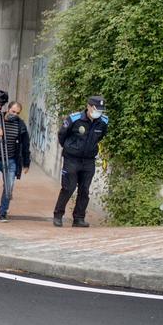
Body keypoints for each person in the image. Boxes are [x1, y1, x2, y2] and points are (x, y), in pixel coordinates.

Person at [53, 94, 109, 228]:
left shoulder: (104, 121)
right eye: (96, 109)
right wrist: (70, 148)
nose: (98, 112)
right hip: (72, 159)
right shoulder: (74, 119)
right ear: (89, 106)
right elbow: (62, 135)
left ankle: (79, 218)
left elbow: (100, 136)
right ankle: (58, 215)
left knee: (84, 190)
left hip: (88, 161)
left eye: (101, 110)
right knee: (68, 188)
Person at [0, 100, 31, 222]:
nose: (15, 114)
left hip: (11, 161)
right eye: (13, 111)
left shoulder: (20, 125)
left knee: (9, 187)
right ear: (8, 109)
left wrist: (26, 163)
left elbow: (25, 145)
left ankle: (2, 213)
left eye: (18, 113)